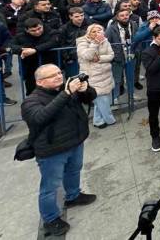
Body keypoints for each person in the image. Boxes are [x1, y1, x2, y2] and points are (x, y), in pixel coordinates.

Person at [21, 64, 97, 237]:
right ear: (40, 81)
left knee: (74, 171)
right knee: (50, 186)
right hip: (52, 150)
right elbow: (40, 117)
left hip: (75, 141)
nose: (58, 77)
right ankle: (50, 218)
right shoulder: (31, 101)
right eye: (52, 76)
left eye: (58, 73)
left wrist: (86, 90)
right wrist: (66, 93)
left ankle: (73, 195)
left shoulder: (66, 89)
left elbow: (91, 98)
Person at [76, 24, 116, 128]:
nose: (97, 33)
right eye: (94, 31)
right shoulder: (82, 41)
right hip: (92, 75)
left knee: (103, 99)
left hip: (106, 74)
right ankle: (109, 119)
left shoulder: (105, 40)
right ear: (89, 32)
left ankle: (98, 120)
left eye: (99, 31)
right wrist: (95, 43)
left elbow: (111, 55)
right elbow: (87, 56)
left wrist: (99, 58)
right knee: (100, 99)